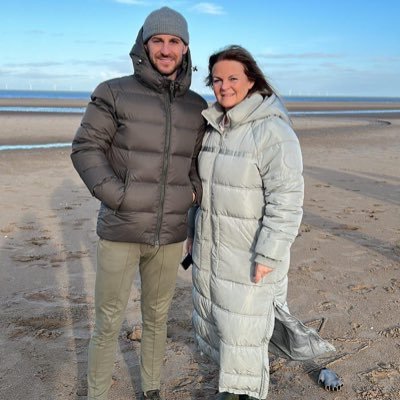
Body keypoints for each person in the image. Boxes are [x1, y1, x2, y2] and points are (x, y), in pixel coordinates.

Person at [70, 7, 207, 400]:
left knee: (157, 317)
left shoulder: (196, 106)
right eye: (158, 40)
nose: (166, 49)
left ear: (185, 48)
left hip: (168, 235)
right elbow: (85, 148)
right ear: (144, 45)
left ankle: (150, 389)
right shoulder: (113, 91)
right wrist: (120, 197)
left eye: (174, 42)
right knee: (108, 320)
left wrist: (191, 195)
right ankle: (96, 393)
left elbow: (199, 162)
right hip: (120, 229)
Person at [190, 45, 331, 400]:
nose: (224, 86)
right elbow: (200, 189)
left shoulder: (272, 131)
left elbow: (286, 200)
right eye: (218, 80)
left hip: (252, 250)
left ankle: (245, 393)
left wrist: (269, 254)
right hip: (213, 245)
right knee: (222, 321)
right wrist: (192, 230)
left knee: (245, 328)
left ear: (251, 80)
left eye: (233, 78)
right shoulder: (213, 127)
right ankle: (232, 386)